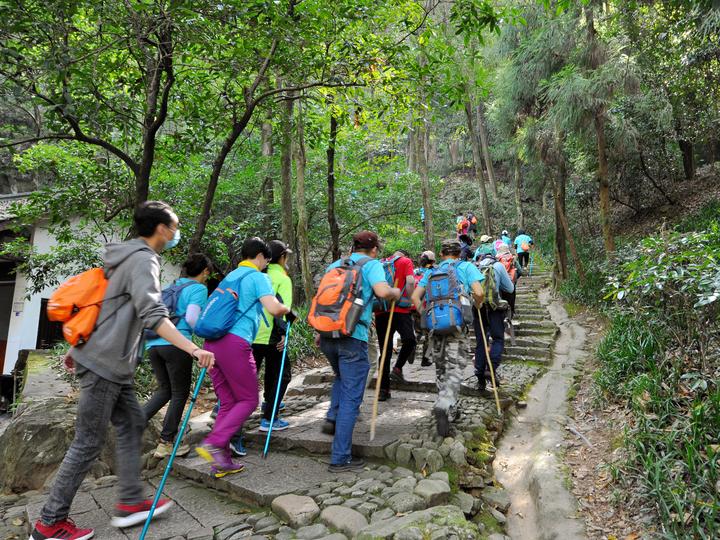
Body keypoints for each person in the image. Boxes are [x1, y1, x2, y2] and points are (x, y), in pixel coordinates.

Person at [29, 201, 216, 540]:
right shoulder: (143, 260)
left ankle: (130, 502)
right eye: (174, 226)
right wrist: (192, 347)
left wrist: (76, 347)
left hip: (112, 363)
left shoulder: (124, 257)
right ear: (161, 228)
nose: (176, 233)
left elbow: (105, 308)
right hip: (105, 364)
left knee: (131, 423)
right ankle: (49, 523)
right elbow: (153, 316)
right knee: (88, 443)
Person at [196, 237, 291, 475]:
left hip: (211, 344)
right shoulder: (259, 277)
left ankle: (223, 461)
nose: (266, 264)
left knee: (229, 402)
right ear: (260, 256)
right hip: (234, 343)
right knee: (249, 400)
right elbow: (273, 308)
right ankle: (215, 442)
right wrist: (286, 309)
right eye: (266, 260)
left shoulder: (231, 276)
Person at [318, 231, 400, 472]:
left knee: (342, 378)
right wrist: (396, 292)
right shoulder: (372, 265)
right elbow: (383, 293)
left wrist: (318, 331)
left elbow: (325, 299)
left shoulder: (336, 264)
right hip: (352, 337)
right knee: (351, 398)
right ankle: (340, 458)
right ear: (374, 249)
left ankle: (333, 415)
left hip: (326, 335)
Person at [411, 239, 485, 437]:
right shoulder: (466, 267)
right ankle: (444, 406)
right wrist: (477, 305)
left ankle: (448, 407)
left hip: (435, 327)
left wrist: (425, 314)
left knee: (441, 367)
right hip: (457, 327)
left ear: (442, 254)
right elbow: (479, 292)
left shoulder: (431, 272)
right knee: (455, 367)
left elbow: (415, 297)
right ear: (459, 253)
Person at [228, 240, 294, 457]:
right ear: (282, 257)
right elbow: (280, 309)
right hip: (271, 337)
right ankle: (269, 418)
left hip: (243, 337)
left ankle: (228, 424)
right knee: (279, 376)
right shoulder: (276, 278)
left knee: (243, 384)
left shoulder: (235, 275)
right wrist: (284, 330)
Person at [143, 253, 211, 459]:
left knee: (165, 390)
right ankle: (166, 443)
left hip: (153, 343)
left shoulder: (170, 287)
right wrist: (204, 332)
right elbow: (191, 319)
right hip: (176, 344)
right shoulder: (198, 288)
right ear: (205, 271)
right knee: (180, 393)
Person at [375, 249, 416, 397]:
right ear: (404, 255)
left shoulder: (380, 264)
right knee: (410, 340)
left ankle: (383, 390)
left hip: (381, 311)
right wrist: (412, 301)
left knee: (384, 350)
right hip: (400, 310)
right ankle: (398, 368)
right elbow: (411, 282)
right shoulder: (406, 261)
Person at [474, 252, 515, 394]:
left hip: (478, 308)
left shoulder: (475, 267)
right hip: (494, 308)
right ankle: (490, 368)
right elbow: (510, 288)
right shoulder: (498, 266)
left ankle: (480, 378)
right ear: (494, 257)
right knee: (497, 338)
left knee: (481, 340)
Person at [414, 251, 436, 367]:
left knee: (417, 331)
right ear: (433, 261)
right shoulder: (432, 272)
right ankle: (425, 358)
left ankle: (411, 346)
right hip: (427, 306)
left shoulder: (415, 272)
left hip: (414, 306)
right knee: (428, 334)